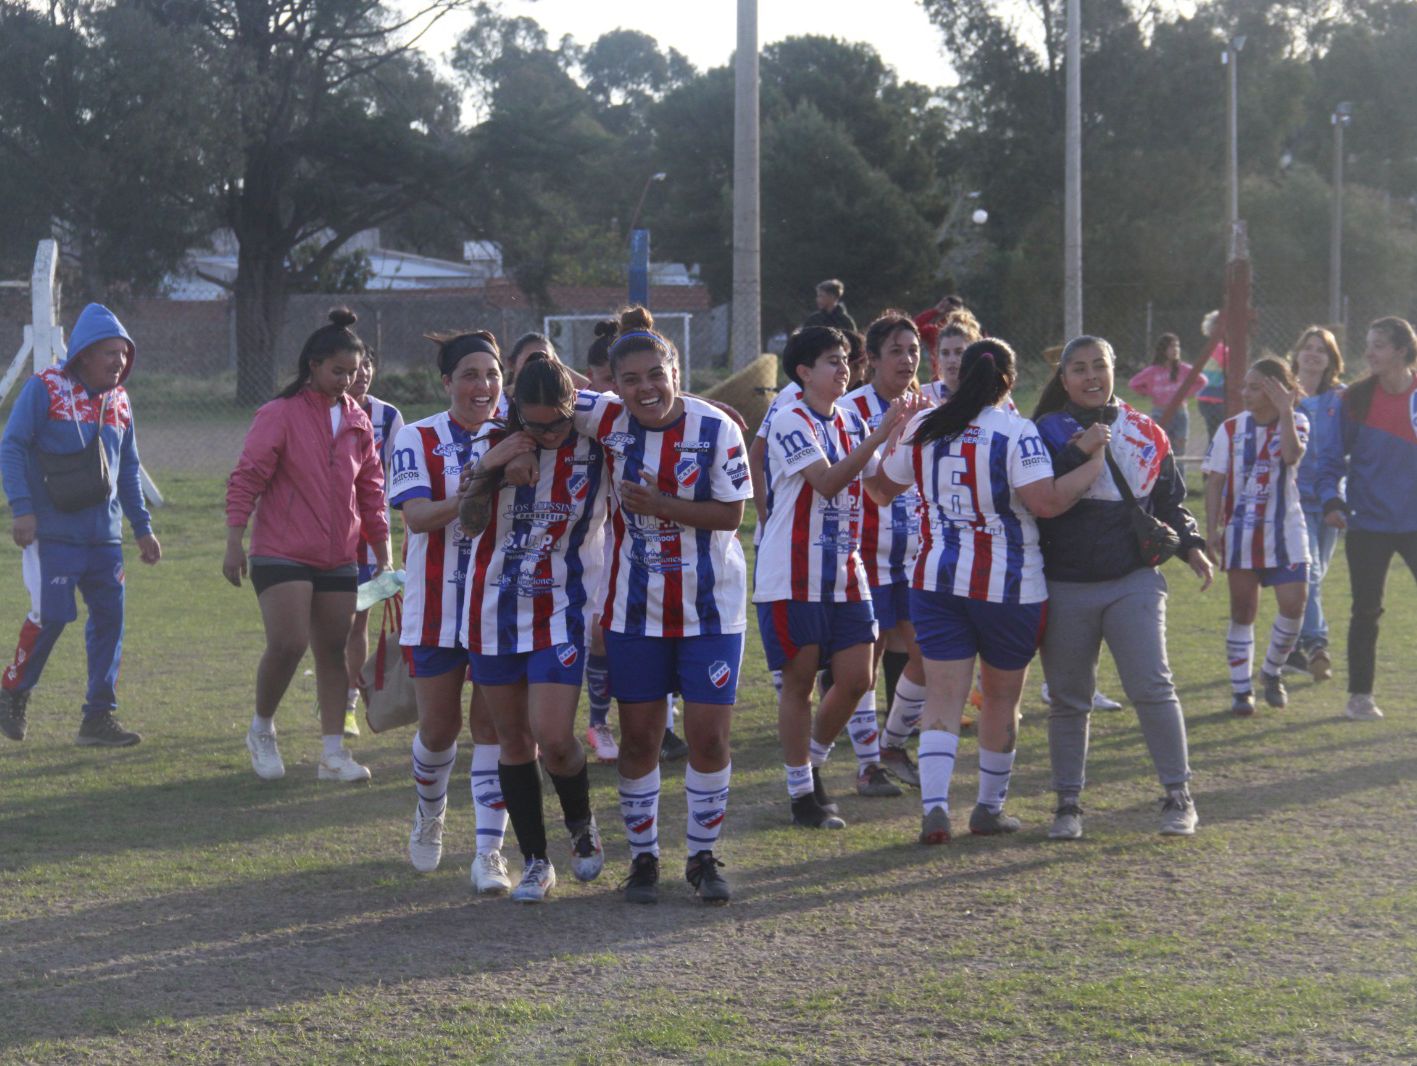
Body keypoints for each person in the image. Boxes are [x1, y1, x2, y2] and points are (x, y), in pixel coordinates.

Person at [870, 338, 1107, 845]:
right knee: (1001, 699)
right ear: (1008, 381)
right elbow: (1044, 502)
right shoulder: (1016, 432)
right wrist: (1091, 469)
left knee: (943, 698)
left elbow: (881, 489)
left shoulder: (924, 425)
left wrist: (893, 443)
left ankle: (935, 809)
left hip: (935, 581)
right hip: (1009, 588)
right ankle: (987, 809)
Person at [568, 306, 750, 904]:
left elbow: (731, 516)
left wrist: (661, 505)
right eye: (631, 379)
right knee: (640, 739)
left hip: (711, 613)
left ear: (676, 369)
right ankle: (643, 860)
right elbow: (543, 391)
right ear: (611, 385)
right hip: (633, 613)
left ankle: (702, 857)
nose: (646, 387)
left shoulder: (718, 429)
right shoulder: (606, 418)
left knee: (709, 738)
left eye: (656, 374)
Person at [1032, 336, 1211, 839]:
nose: (1091, 377)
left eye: (1100, 367)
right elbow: (1035, 497)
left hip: (1133, 579)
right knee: (1069, 700)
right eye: (1080, 369)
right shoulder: (1042, 431)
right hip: (1064, 584)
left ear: (1114, 370)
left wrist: (1192, 544)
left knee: (1152, 686)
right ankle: (1067, 805)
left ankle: (1179, 795)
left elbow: (1170, 501)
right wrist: (1075, 453)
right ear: (1063, 379)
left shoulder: (1145, 431)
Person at [456, 353, 610, 903]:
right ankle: (536, 862)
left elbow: (658, 409)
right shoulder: (493, 443)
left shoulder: (596, 443)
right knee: (514, 742)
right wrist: (491, 467)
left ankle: (581, 825)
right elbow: (468, 524)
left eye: (558, 424)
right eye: (536, 424)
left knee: (553, 737)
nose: (548, 435)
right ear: (516, 411)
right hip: (492, 614)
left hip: (558, 613)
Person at [756, 325, 920, 830]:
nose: (844, 368)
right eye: (832, 360)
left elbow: (881, 490)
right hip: (792, 575)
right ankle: (803, 793)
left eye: (846, 358)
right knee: (800, 684)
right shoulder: (789, 419)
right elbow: (827, 483)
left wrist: (915, 439)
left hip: (846, 573)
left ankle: (811, 766)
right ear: (804, 372)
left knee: (854, 680)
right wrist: (882, 430)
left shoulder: (849, 418)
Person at [224, 308, 390, 782]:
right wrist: (234, 539)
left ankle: (333, 754)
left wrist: (383, 552)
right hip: (281, 550)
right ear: (313, 365)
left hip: (340, 554)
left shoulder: (359, 421)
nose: (347, 381)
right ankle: (261, 729)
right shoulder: (278, 414)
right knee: (290, 642)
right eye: (338, 371)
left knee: (334, 651)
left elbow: (372, 489)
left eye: (353, 373)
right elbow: (247, 477)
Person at [387, 329, 515, 895]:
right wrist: (473, 491)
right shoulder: (417, 437)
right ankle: (430, 811)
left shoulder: (516, 436)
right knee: (439, 730)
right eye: (470, 374)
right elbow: (416, 518)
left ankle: (490, 853)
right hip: (435, 606)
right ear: (447, 383)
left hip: (499, 605)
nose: (483, 386)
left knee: (494, 728)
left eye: (491, 374)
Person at [0, 303, 161, 746]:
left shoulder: (121, 401)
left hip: (104, 537)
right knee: (51, 615)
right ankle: (12, 688)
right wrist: (22, 509)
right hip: (52, 532)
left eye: (124, 354)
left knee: (111, 619)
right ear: (84, 354)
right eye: (109, 353)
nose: (119, 362)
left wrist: (142, 527)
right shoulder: (45, 388)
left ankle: (98, 717)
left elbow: (128, 466)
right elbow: (11, 445)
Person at [842, 313, 931, 790]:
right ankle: (867, 766)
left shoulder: (928, 406)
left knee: (929, 654)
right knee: (864, 668)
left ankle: (893, 744)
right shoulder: (849, 409)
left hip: (915, 559)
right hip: (864, 557)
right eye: (895, 350)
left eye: (913, 350)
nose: (907, 358)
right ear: (871, 359)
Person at [1317, 316, 1417, 721]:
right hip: (1368, 524)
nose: (1368, 353)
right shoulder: (1354, 398)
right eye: (1369, 343)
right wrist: (1331, 502)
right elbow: (1329, 460)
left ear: (1400, 350)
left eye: (1377, 345)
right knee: (1365, 611)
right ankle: (1360, 696)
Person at [1203, 358, 1310, 716]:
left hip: (1286, 531)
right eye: (1244, 386)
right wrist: (1211, 530)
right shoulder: (1230, 430)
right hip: (1241, 532)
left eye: (1254, 387)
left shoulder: (1296, 422)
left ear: (1275, 390)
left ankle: (1272, 672)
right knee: (1243, 610)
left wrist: (1285, 411)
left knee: (1294, 605)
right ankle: (1241, 690)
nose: (1244, 393)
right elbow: (1215, 480)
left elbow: (1292, 456)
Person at [343, 347, 404, 738]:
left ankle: (351, 701)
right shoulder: (327, 411)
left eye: (367, 364)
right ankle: (339, 696)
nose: (362, 372)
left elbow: (401, 480)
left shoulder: (388, 416)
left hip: (370, 537)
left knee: (359, 620)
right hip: (330, 535)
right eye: (354, 365)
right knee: (334, 623)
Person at [1287, 327, 1345, 682]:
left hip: (1330, 500)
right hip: (1294, 498)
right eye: (1307, 348)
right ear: (1297, 354)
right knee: (1308, 574)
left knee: (1315, 575)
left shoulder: (1341, 398)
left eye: (1320, 350)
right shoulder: (1285, 398)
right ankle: (1317, 644)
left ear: (1331, 360)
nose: (1312, 355)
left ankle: (1289, 647)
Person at [1128, 333, 1206, 472]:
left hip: (1180, 414)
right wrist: (1150, 392)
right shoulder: (1153, 371)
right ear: (1163, 350)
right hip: (1159, 413)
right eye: (1171, 346)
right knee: (1160, 447)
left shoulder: (1183, 368)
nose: (1175, 349)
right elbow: (1134, 383)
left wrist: (1184, 394)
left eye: (1177, 346)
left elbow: (1202, 381)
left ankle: (1179, 485)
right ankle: (1160, 481)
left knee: (1179, 450)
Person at [1196, 310, 1229, 442]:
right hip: (1216, 398)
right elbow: (1230, 372)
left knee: (1214, 435)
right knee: (1220, 436)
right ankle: (1214, 461)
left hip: (1204, 398)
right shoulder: (1222, 349)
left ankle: (1211, 460)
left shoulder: (1211, 347)